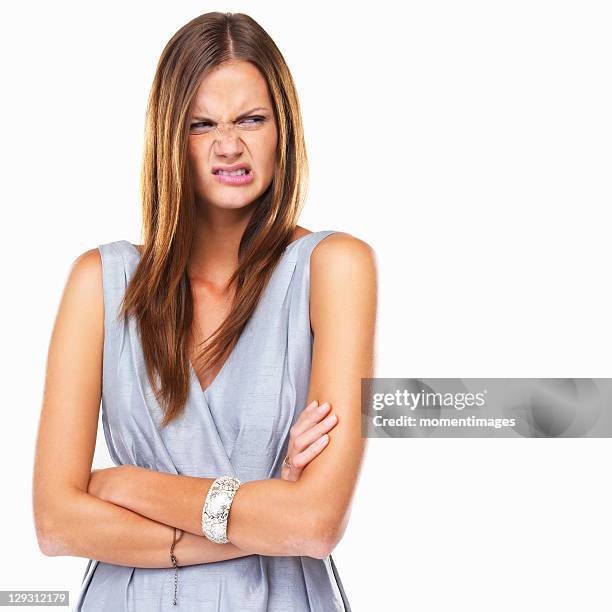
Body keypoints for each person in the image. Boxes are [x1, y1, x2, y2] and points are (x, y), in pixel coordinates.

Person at [32, 11, 377, 611]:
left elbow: (315, 523)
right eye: (202, 124)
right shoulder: (100, 282)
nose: (229, 146)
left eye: (251, 119)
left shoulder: (334, 268)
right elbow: (56, 522)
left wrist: (123, 486)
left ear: (282, 131)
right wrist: (259, 514)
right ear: (171, 137)